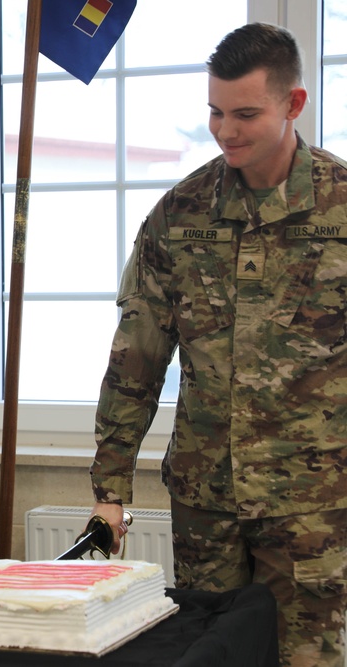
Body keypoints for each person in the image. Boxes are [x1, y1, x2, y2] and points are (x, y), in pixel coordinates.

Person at [89, 23, 347, 667]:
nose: (226, 130)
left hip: (313, 506)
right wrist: (110, 485)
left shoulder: (342, 209)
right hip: (208, 503)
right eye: (214, 111)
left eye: (245, 114)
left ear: (293, 105)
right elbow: (137, 358)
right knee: (209, 657)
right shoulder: (180, 215)